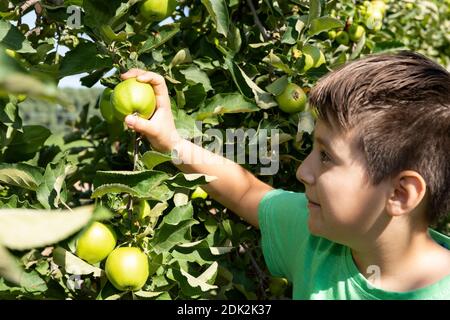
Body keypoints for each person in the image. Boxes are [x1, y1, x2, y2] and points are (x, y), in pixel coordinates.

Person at [121, 51, 450, 299]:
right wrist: (172, 142)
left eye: (326, 156)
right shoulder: (317, 241)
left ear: (401, 194)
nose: (303, 171)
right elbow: (244, 192)